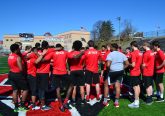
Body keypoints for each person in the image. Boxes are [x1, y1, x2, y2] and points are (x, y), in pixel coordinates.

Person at [103, 43, 129, 107]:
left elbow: (108, 65)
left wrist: (109, 69)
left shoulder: (110, 54)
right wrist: (122, 68)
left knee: (106, 85)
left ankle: (105, 101)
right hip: (120, 71)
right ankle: (116, 102)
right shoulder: (122, 54)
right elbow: (127, 64)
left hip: (112, 71)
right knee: (117, 86)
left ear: (112, 47)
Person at [8, 44, 28, 112]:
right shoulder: (17, 57)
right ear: (16, 49)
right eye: (19, 48)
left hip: (11, 73)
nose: (20, 49)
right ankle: (22, 105)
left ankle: (16, 107)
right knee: (25, 89)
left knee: (15, 90)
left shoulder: (10, 56)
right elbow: (21, 69)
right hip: (18, 74)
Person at [35, 41, 54, 111]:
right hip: (44, 74)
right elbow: (37, 61)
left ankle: (40, 102)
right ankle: (43, 106)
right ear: (48, 45)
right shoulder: (48, 53)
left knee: (40, 89)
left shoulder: (39, 52)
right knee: (42, 89)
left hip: (38, 73)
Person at [67, 40, 85, 106]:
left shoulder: (70, 53)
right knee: (81, 86)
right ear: (80, 46)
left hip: (73, 71)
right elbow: (83, 64)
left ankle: (74, 101)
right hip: (80, 70)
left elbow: (68, 62)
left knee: (74, 86)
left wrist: (69, 69)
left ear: (73, 46)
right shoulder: (83, 54)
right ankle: (83, 100)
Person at [128, 41, 143, 108]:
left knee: (135, 87)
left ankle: (136, 102)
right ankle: (137, 100)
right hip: (138, 71)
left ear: (132, 46)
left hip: (134, 72)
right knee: (138, 86)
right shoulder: (140, 53)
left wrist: (128, 64)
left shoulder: (133, 53)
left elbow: (133, 65)